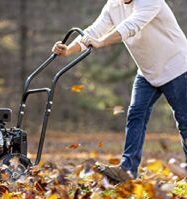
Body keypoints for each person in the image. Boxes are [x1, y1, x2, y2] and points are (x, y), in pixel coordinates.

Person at [52, 0, 187, 182]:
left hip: (177, 66)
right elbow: (93, 31)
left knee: (184, 122)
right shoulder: (113, 6)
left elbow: (131, 26)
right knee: (135, 115)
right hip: (148, 72)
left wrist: (101, 42)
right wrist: (68, 50)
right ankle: (127, 171)